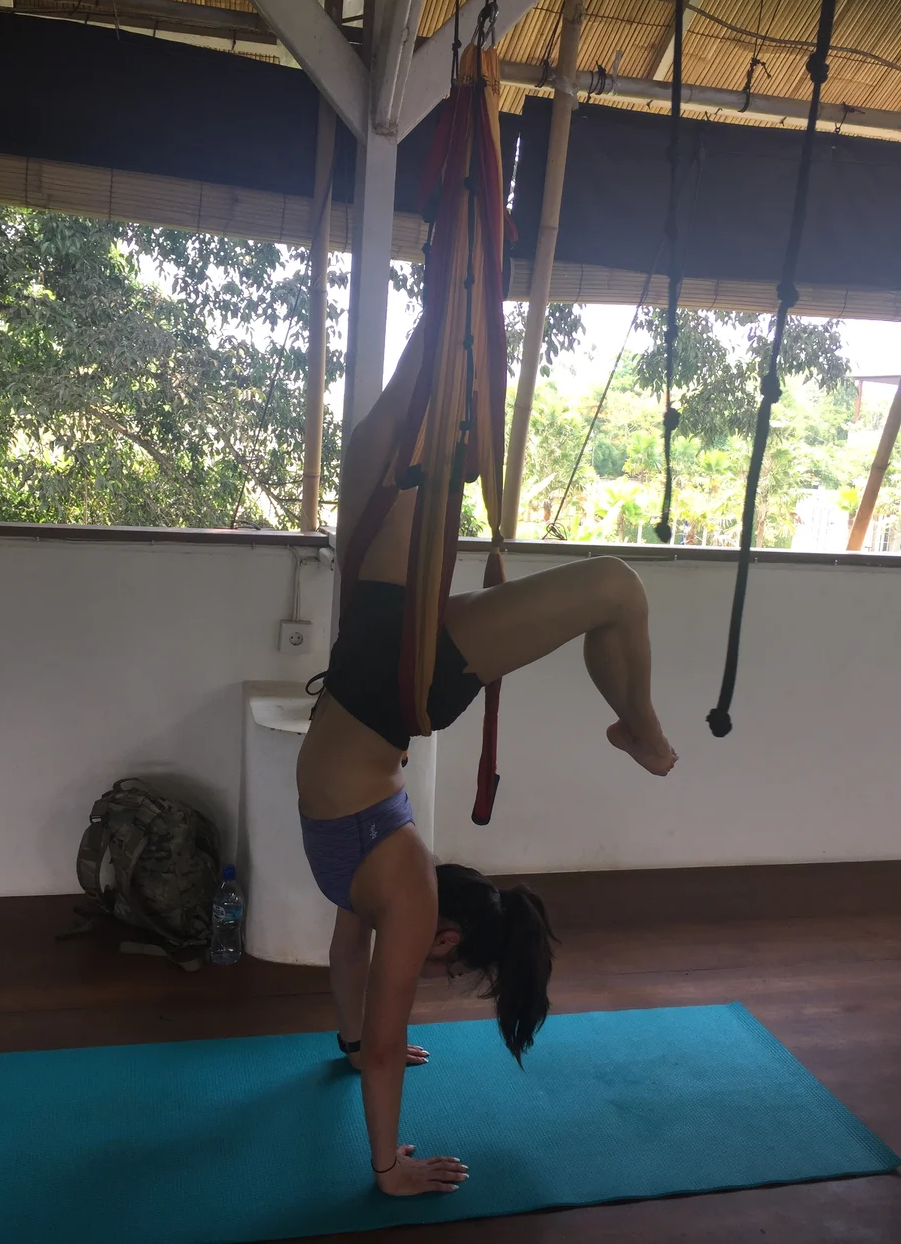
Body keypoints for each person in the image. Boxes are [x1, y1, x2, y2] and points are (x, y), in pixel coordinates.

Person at [296, 322, 676, 1199]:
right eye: (444, 964)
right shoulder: (397, 889)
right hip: (393, 682)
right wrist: (389, 1167)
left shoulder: (381, 886)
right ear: (450, 935)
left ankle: (447, 311)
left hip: (376, 664)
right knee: (614, 587)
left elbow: (355, 976)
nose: (425, 966)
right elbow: (381, 1024)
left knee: (384, 431)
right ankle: (643, 734)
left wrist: (355, 1045)